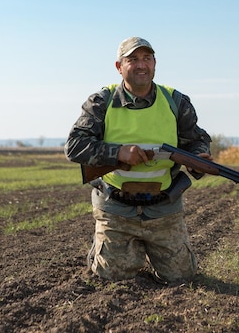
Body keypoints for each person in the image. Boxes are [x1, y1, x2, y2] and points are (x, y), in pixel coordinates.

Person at [65, 36, 212, 284]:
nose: (141, 65)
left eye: (147, 58)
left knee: (182, 277)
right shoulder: (101, 102)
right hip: (116, 207)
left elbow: (197, 140)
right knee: (111, 276)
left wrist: (197, 158)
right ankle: (102, 250)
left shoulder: (176, 101)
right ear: (119, 67)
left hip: (164, 207)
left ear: (155, 63)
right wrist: (119, 153)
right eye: (132, 59)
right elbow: (75, 146)